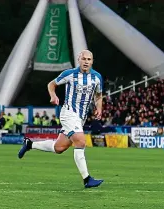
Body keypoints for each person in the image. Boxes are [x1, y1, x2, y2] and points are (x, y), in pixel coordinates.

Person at [17, 50, 104, 188]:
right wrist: (53, 95)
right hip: (68, 113)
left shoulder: (97, 77)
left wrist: (99, 108)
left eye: (89, 59)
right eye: (84, 59)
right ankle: (87, 179)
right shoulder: (69, 74)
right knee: (80, 141)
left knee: (59, 147)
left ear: (92, 61)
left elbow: (98, 95)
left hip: (80, 118)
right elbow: (51, 84)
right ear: (79, 60)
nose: (86, 61)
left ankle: (30, 144)